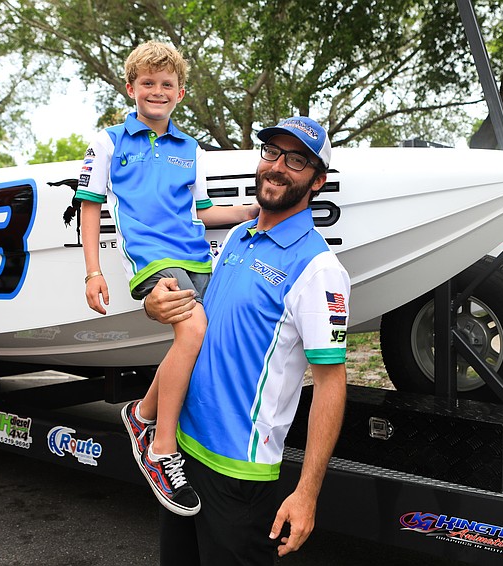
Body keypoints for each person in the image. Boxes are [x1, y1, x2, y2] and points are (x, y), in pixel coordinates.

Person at [144, 116, 350, 564]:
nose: (277, 166)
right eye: (272, 152)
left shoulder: (319, 269)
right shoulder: (239, 235)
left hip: (240, 475)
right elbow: (200, 322)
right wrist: (156, 306)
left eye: (296, 159)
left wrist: (307, 493)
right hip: (180, 454)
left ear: (317, 181)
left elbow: (331, 383)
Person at [74, 41, 257, 516]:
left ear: (180, 94)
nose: (157, 91)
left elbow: (203, 212)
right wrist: (93, 271)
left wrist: (259, 210)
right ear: (131, 88)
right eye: (148, 83)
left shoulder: (190, 148)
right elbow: (89, 207)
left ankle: (140, 415)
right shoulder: (109, 141)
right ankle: (159, 449)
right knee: (193, 330)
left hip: (197, 257)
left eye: (167, 85)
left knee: (200, 340)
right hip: (152, 259)